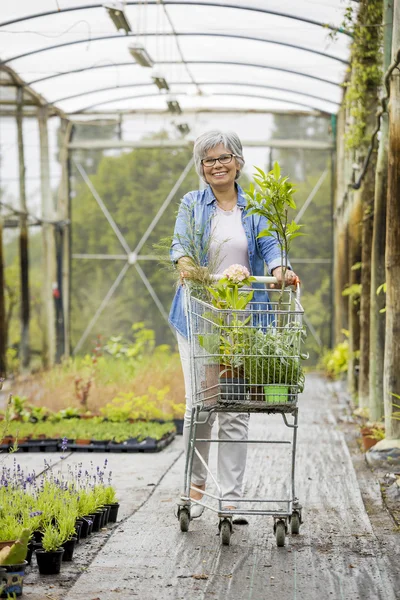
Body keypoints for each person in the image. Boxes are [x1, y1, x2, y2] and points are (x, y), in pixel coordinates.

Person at [169, 130, 299, 521]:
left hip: (243, 322)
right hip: (202, 317)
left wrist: (281, 269)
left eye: (224, 157)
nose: (217, 165)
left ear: (238, 162)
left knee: (237, 408)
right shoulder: (192, 204)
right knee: (204, 406)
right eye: (209, 160)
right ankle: (194, 487)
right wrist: (187, 267)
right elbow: (180, 247)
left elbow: (272, 247)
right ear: (201, 167)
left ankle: (231, 497)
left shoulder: (255, 208)